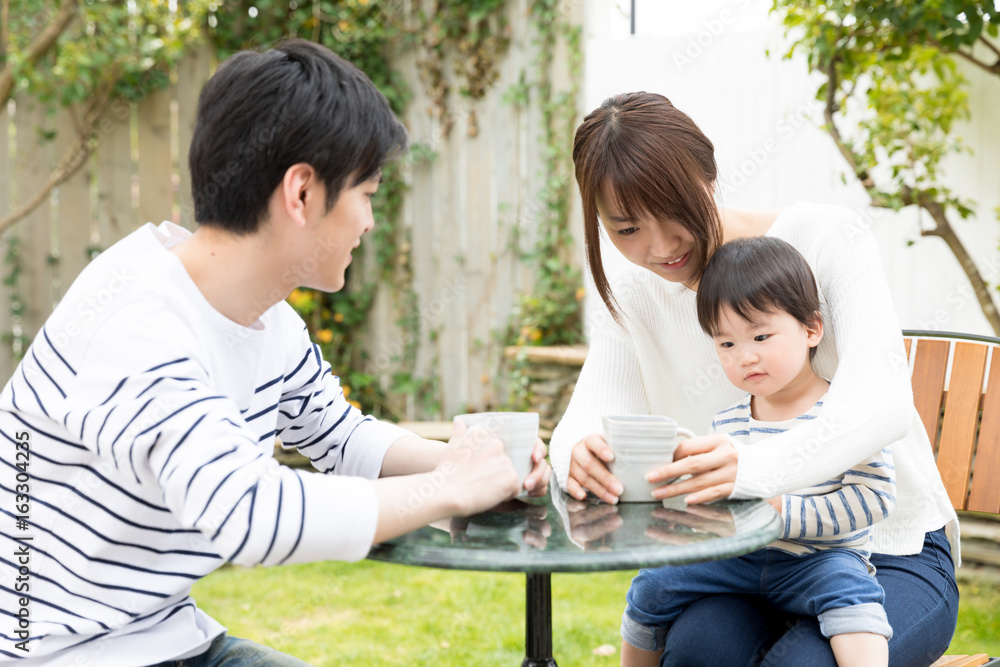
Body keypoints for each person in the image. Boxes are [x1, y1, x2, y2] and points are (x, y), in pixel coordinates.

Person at [0, 40, 550, 666]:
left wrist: (480, 464)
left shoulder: (269, 321)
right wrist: (450, 488)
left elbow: (341, 440)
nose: (370, 221)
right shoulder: (136, 324)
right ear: (301, 193)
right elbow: (251, 516)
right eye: (366, 194)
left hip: (171, 639)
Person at [550, 91, 959, 666]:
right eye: (626, 229)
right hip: (743, 554)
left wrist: (754, 469)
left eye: (673, 215)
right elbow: (588, 414)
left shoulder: (825, 240)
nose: (660, 247)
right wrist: (575, 452)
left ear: (710, 179)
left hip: (886, 549)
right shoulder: (635, 293)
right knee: (696, 654)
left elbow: (883, 402)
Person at [621, 236, 895, 667]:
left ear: (811, 328)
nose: (745, 357)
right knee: (653, 582)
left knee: (853, 592)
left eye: (761, 336)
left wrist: (781, 512)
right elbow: (712, 504)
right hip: (737, 559)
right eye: (726, 344)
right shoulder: (727, 423)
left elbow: (875, 497)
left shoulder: (845, 415)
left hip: (820, 560)